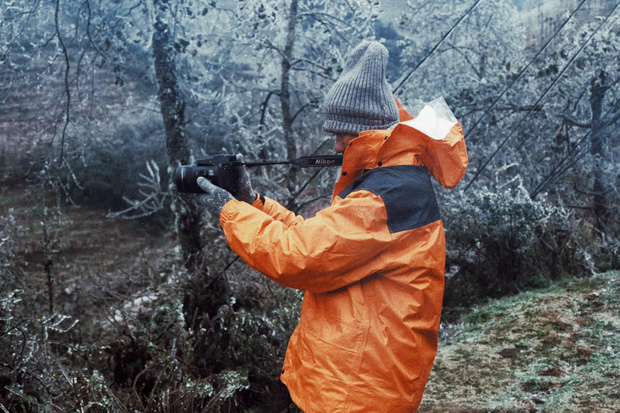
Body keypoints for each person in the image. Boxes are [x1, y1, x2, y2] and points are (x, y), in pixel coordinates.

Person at [196, 40, 468, 412]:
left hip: (356, 392)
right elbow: (319, 240)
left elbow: (299, 256)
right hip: (352, 380)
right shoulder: (392, 179)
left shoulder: (383, 198)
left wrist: (230, 211)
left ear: (370, 131)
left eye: (343, 134)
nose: (337, 146)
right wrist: (252, 203)